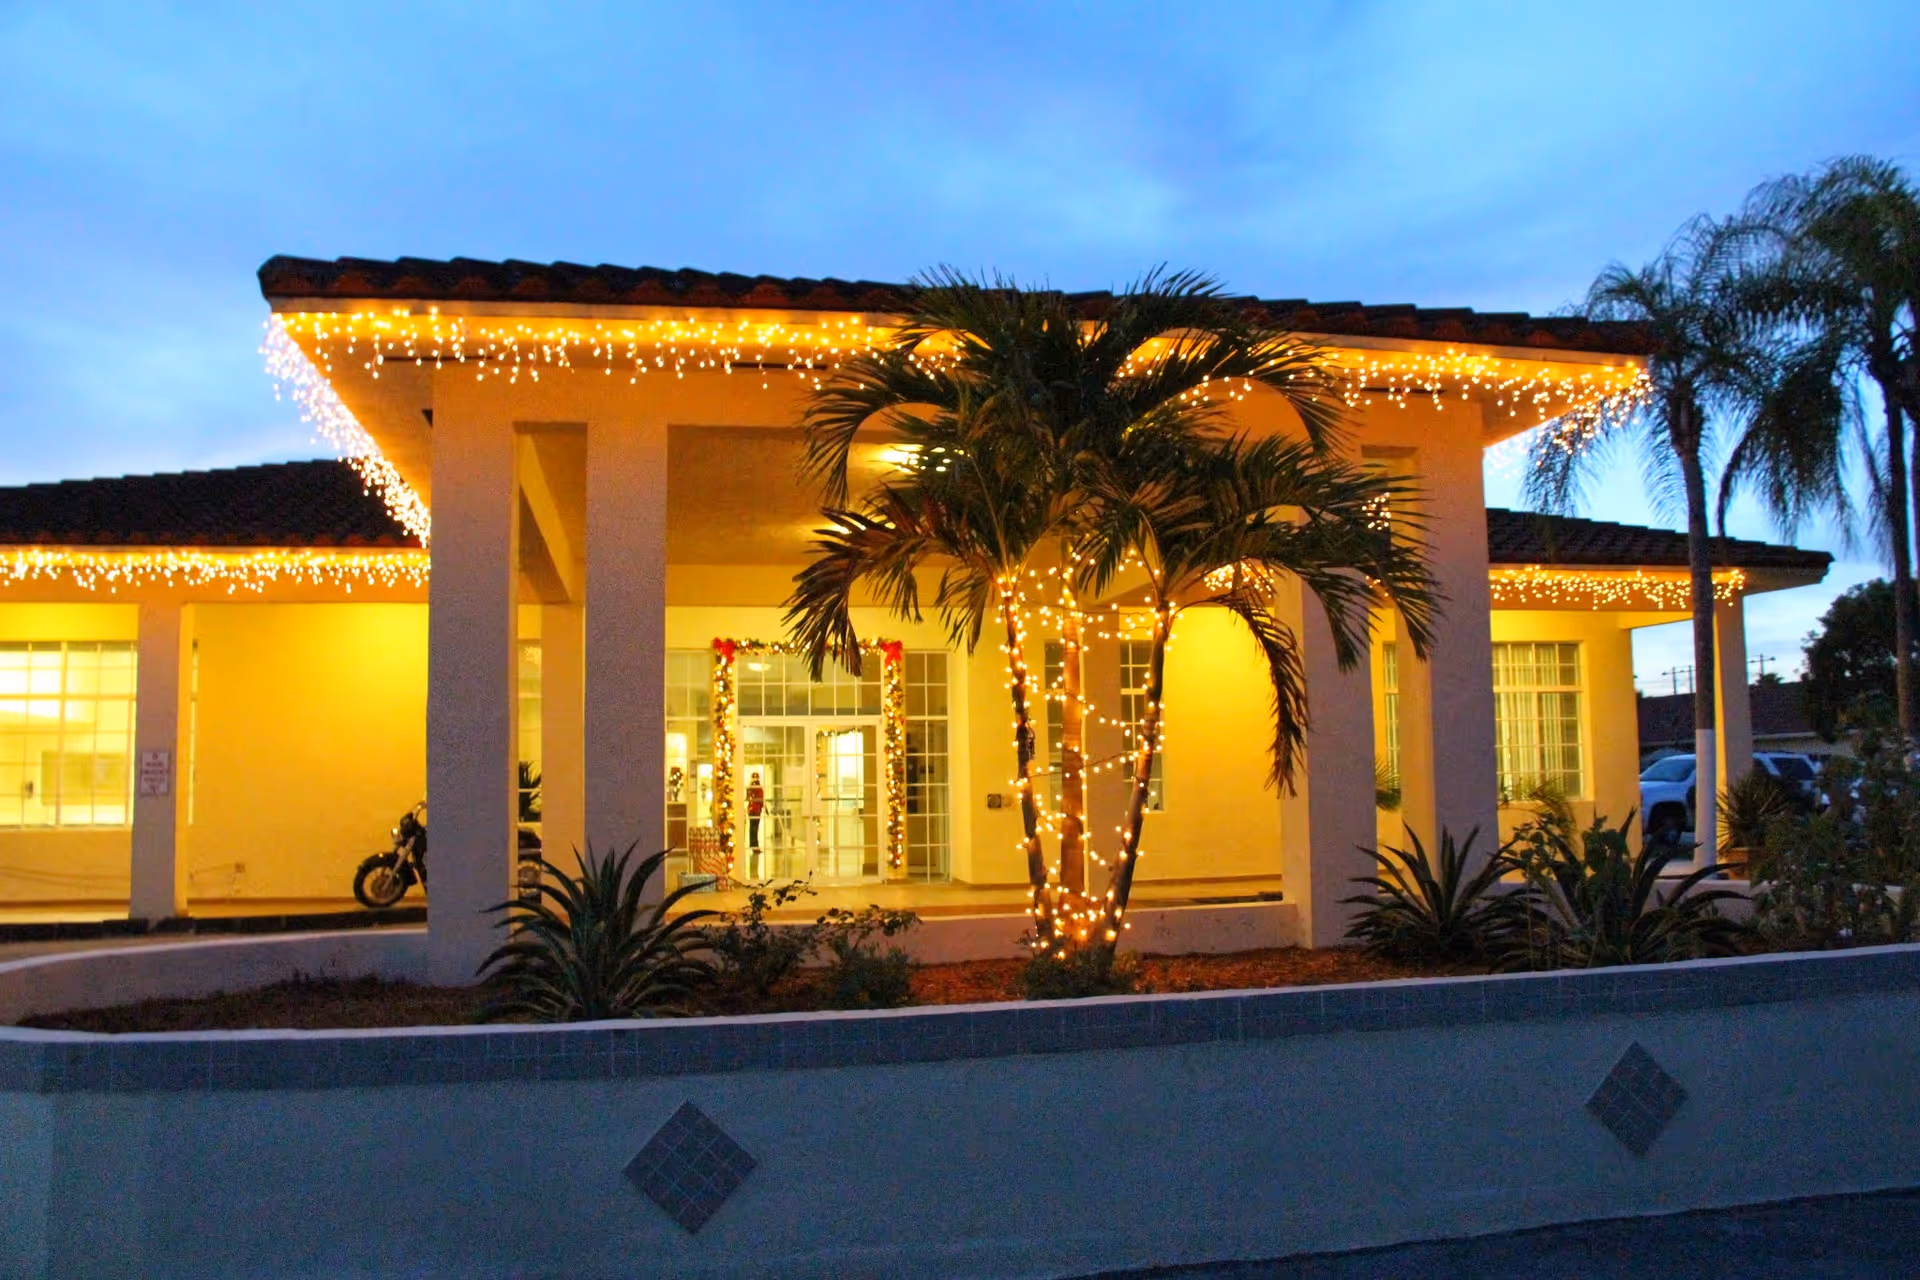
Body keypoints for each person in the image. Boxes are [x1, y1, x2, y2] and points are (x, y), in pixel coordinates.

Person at [746, 770, 766, 877]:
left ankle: (754, 845)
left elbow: (761, 799)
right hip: (753, 810)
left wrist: (764, 808)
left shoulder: (756, 788)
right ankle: (754, 845)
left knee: (754, 828)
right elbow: (755, 799)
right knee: (753, 828)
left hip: (756, 810)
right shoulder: (752, 788)